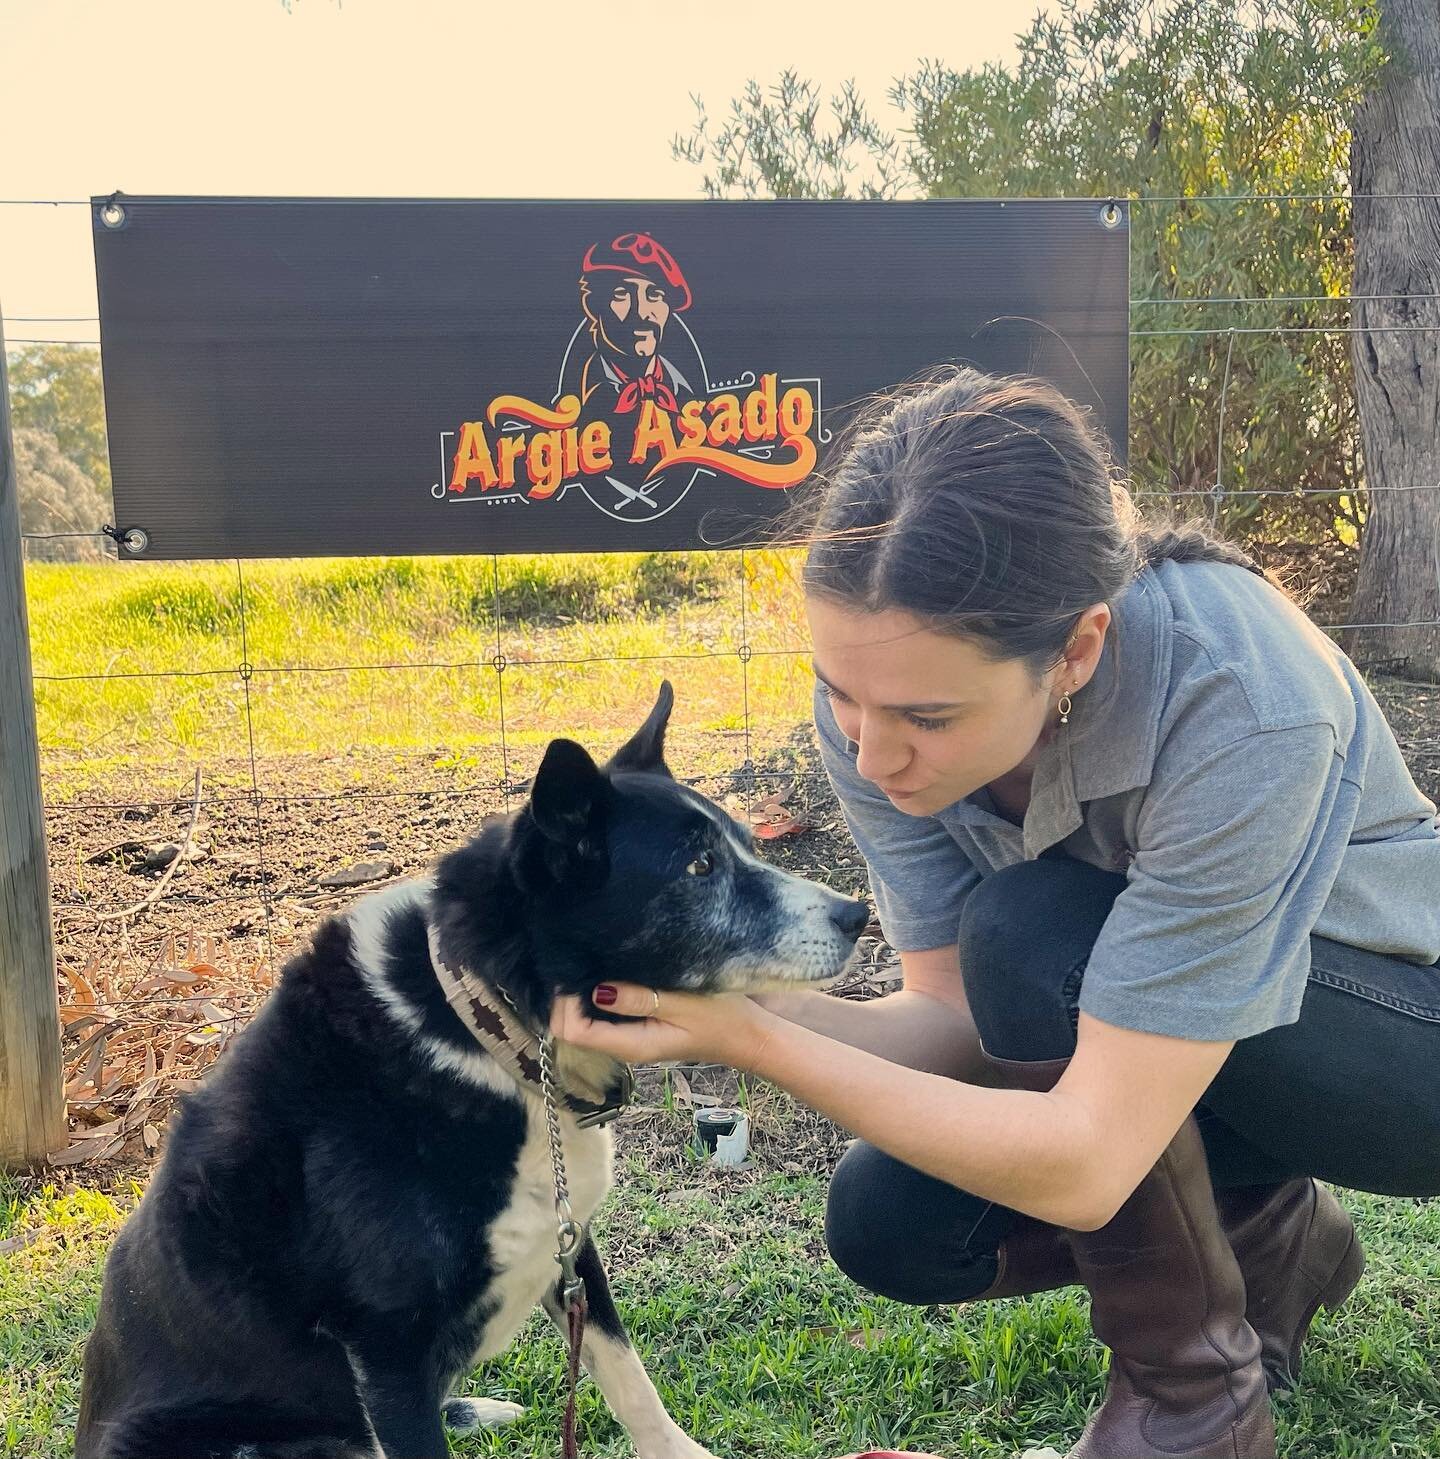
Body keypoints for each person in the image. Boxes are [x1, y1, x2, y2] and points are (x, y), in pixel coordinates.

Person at [552, 367, 1440, 1459]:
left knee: (1031, 932)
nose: (873, 753)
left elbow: (1084, 1161)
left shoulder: (1241, 699)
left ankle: (1195, 1409)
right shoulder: (882, 708)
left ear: (1075, 649)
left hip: (1407, 1048)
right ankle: (1273, 1236)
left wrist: (755, 1040)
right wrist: (712, 1006)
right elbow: (953, 1020)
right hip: (1200, 1042)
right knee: (893, 1222)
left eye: (928, 714)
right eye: (841, 692)